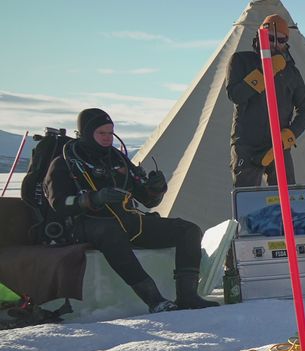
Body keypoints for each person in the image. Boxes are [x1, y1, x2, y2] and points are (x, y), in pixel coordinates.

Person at [43, 108, 220, 312]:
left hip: (127, 221)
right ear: (86, 133)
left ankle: (188, 296)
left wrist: (155, 189)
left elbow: (147, 200)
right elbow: (59, 203)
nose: (107, 138)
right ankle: (155, 300)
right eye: (101, 133)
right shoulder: (64, 163)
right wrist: (94, 198)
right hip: (88, 224)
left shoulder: (118, 159)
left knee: (188, 230)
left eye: (110, 133)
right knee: (111, 232)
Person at [225, 13, 305, 187]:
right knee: (247, 199)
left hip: (278, 145)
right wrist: (266, 72)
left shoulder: (292, 73)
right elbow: (235, 95)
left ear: (286, 42)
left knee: (287, 195)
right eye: (270, 38)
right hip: (247, 144)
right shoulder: (241, 60)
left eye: (281, 40)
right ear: (260, 36)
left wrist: (289, 135)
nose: (275, 44)